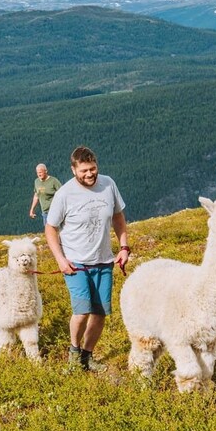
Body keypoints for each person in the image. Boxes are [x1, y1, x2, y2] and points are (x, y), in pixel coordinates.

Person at [45, 146, 130, 372]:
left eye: (93, 169)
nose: (90, 174)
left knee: (100, 312)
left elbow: (118, 217)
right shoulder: (64, 194)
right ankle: (74, 353)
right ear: (73, 170)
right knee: (82, 311)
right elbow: (50, 228)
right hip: (76, 263)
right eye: (84, 171)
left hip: (104, 261)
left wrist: (124, 247)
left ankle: (87, 356)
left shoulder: (108, 184)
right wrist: (61, 260)